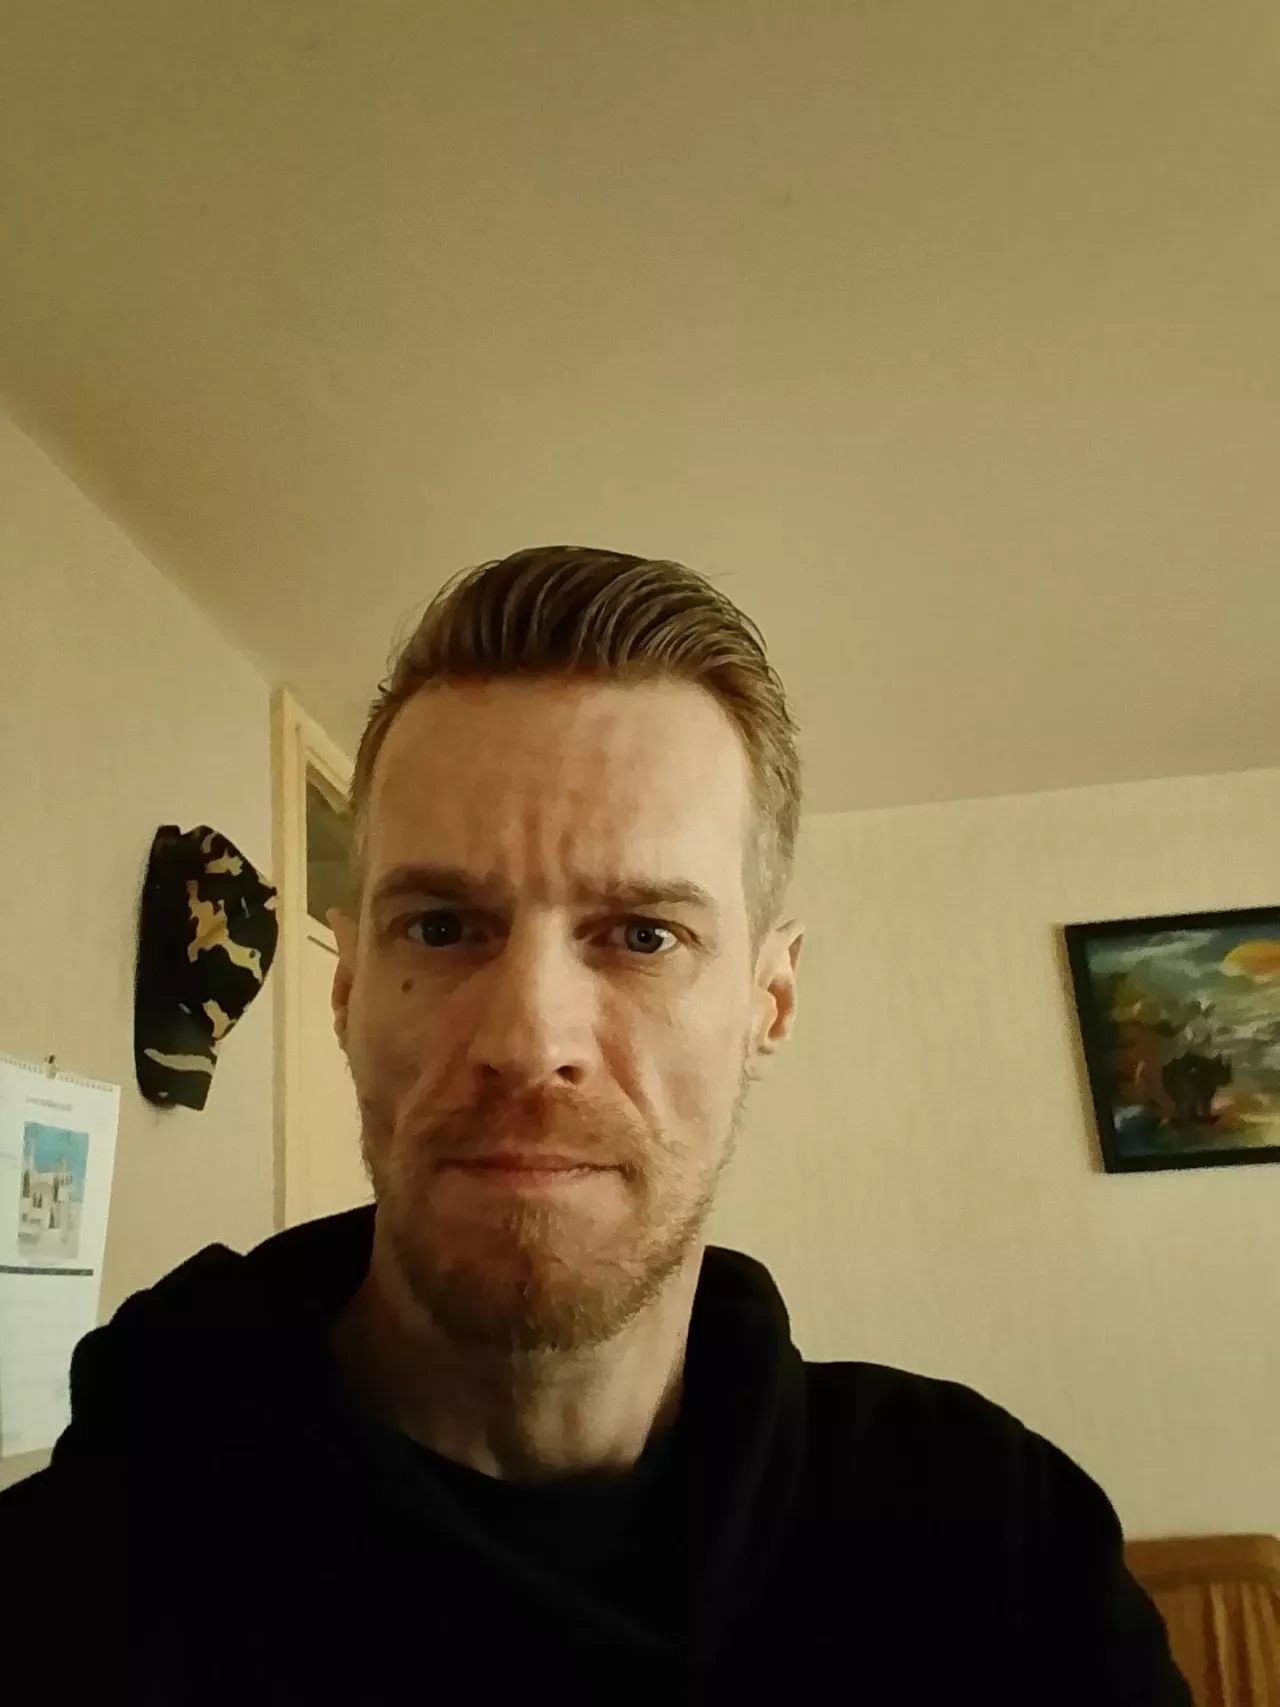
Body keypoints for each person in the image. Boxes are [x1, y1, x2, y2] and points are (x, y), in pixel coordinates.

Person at [1, 546, 1189, 1705]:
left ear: (767, 1003)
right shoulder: (62, 1588)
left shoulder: (995, 1551)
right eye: (439, 927)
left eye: (641, 935)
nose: (527, 1040)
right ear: (348, 986)